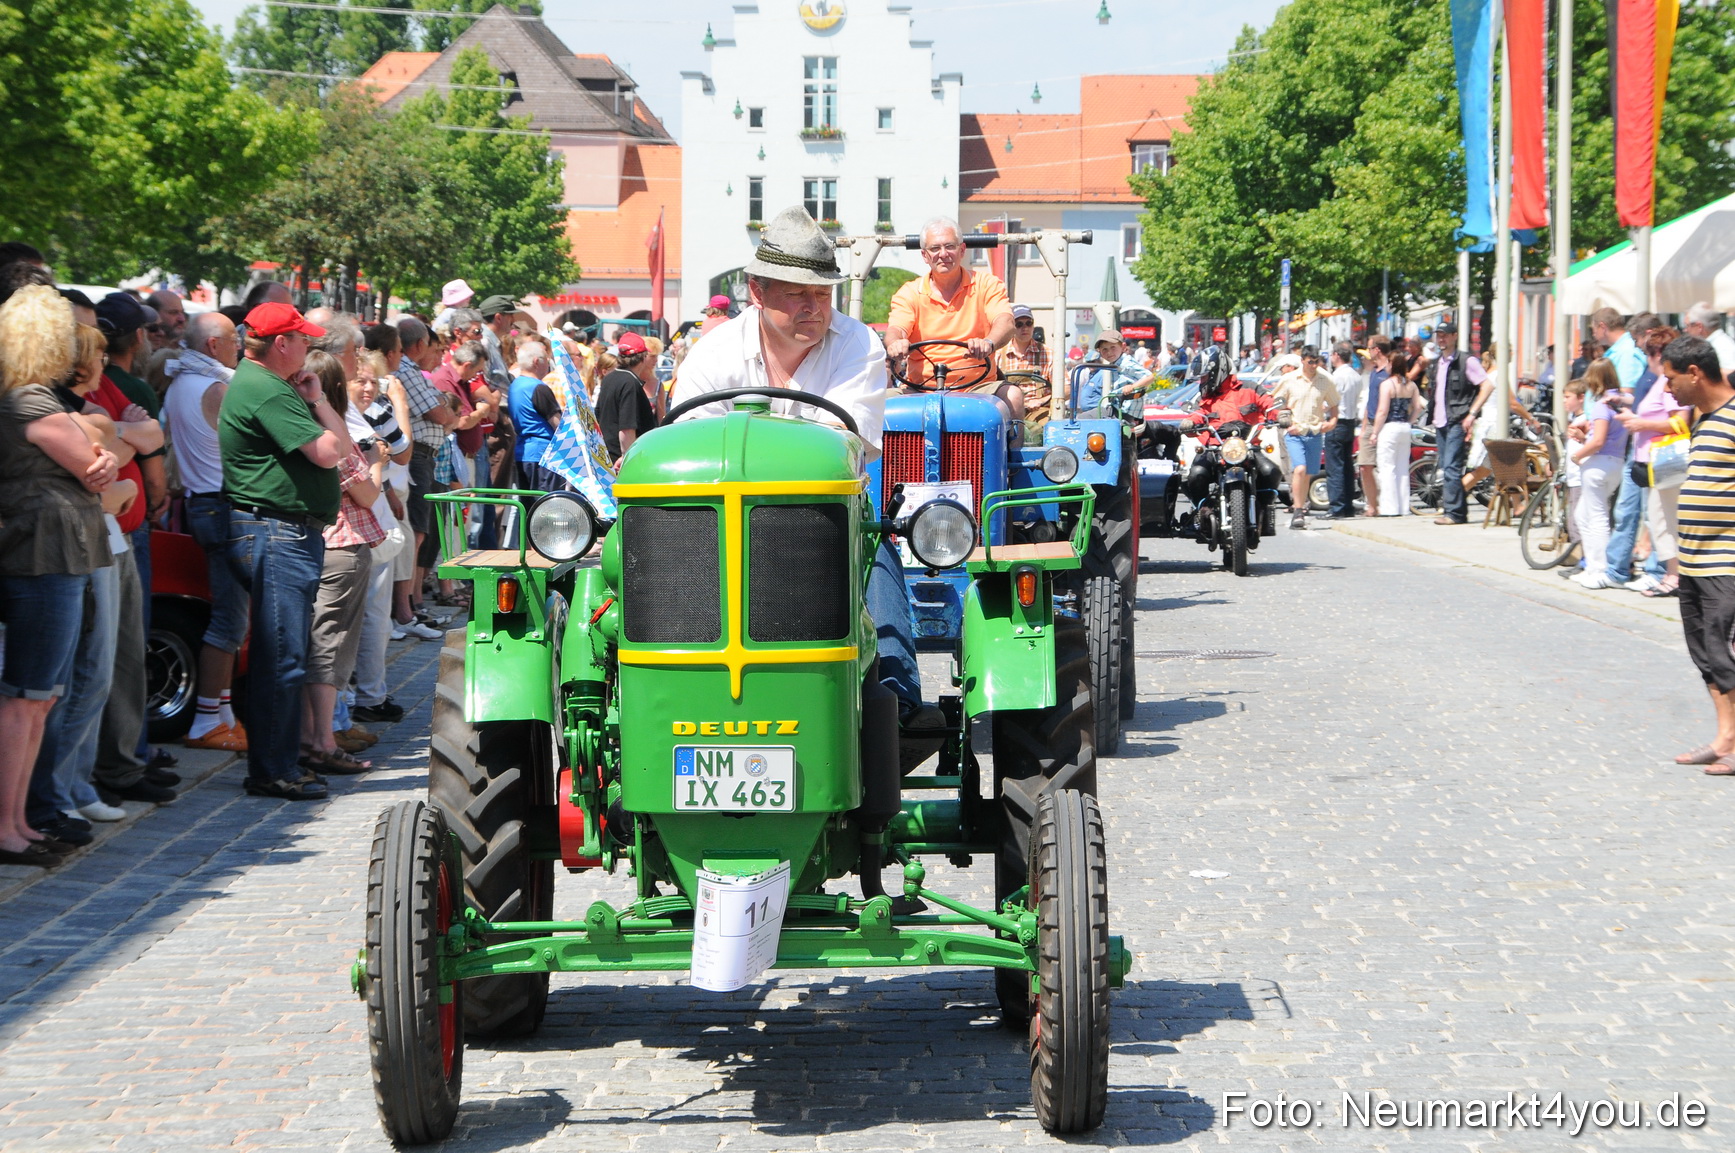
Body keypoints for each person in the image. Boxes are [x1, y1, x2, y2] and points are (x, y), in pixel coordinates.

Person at [670, 206, 933, 729]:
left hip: (823, 520)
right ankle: (672, 689)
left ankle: (895, 697)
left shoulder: (857, 343)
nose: (815, 307)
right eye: (798, 293)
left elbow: (844, 448)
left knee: (873, 547)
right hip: (723, 527)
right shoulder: (712, 354)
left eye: (823, 293)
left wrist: (747, 443)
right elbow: (687, 455)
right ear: (757, 292)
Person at [0, 285, 120, 866]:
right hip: (40, 555)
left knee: (40, 697)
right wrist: (97, 454)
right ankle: (8, 824)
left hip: (57, 553)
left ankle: (20, 819)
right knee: (27, 696)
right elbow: (93, 459)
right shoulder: (26, 399)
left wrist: (98, 454)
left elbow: (101, 455)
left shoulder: (37, 399)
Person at [220, 302, 355, 801]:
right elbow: (329, 452)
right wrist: (319, 409)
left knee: (286, 653)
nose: (308, 348)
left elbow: (340, 449)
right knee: (282, 657)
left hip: (286, 532)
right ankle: (273, 769)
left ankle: (280, 761)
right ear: (281, 344)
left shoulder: (274, 386)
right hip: (275, 532)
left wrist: (318, 402)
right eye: (302, 340)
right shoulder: (263, 387)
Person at [161, 309, 251, 750]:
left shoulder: (181, 381)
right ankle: (207, 721)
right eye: (235, 339)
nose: (241, 345)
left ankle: (224, 715)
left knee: (232, 618)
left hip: (205, 504)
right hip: (222, 506)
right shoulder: (215, 387)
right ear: (214, 345)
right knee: (229, 621)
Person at [299, 349, 382, 775]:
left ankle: (314, 734)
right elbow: (367, 494)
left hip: (310, 543)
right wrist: (377, 462)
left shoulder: (294, 429)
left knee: (312, 642)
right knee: (331, 647)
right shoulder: (332, 434)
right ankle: (323, 739)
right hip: (342, 547)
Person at [1659, 336, 1735, 773]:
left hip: (1727, 558)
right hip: (1693, 558)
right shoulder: (1703, 420)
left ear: (1694, 372)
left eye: (1671, 379)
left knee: (1726, 650)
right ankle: (1726, 736)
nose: (1667, 388)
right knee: (1706, 653)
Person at [885, 216, 1020, 418]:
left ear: (962, 250)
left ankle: (1010, 449)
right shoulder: (910, 292)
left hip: (978, 387)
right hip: (920, 388)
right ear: (924, 255)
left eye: (949, 246)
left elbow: (1005, 321)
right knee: (877, 403)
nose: (943, 254)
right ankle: (881, 451)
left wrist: (988, 343)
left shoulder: (986, 285)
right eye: (935, 248)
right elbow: (896, 329)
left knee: (1013, 395)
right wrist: (896, 343)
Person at [1617, 326, 1691, 599]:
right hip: (1654, 462)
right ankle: (1671, 574)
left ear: (1659, 354)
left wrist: (1642, 423)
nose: (1647, 360)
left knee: (1663, 519)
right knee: (1659, 519)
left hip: (1666, 462)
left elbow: (1681, 421)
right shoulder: (1661, 382)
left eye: (1649, 353)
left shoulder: (1668, 383)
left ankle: (1673, 575)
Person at [396, 317, 459, 628]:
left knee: (421, 533)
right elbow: (440, 412)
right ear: (420, 344)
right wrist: (446, 413)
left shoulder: (411, 371)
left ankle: (413, 600)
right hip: (417, 456)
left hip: (424, 456)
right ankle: (408, 603)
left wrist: (446, 413)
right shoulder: (408, 370)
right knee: (417, 533)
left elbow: (447, 413)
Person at [1570, 360, 1630, 589]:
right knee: (1584, 514)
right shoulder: (1620, 402)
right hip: (1615, 462)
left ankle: (1601, 568)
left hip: (1598, 464)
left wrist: (1578, 455)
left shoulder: (1601, 405)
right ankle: (1593, 567)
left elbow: (1598, 441)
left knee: (1596, 517)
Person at [1427, 322, 1493, 526]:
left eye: (1445, 335)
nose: (1441, 339)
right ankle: (1458, 512)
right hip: (1441, 421)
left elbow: (1488, 385)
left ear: (1455, 336)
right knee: (1448, 466)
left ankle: (1453, 513)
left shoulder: (1466, 361)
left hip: (1457, 420)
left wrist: (1472, 414)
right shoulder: (1437, 362)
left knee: (1451, 467)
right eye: (1439, 335)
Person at [1269, 346, 1339, 529]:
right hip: (1295, 432)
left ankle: (1301, 507)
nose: (1314, 365)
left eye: (1317, 362)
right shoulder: (1289, 379)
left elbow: (1334, 404)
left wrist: (1332, 422)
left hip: (1314, 433)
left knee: (1308, 473)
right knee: (1299, 469)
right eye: (1311, 362)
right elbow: (1274, 402)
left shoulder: (1325, 380)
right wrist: (1285, 421)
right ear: (1303, 360)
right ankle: (1298, 509)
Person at [508, 341, 567, 491]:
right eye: (546, 359)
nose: (548, 364)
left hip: (523, 453)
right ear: (536, 362)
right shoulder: (538, 388)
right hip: (542, 455)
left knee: (528, 505)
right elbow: (558, 425)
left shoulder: (514, 385)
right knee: (545, 506)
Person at [1371, 350, 1423, 516]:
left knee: (1387, 468)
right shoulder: (1411, 385)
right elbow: (1418, 407)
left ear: (1392, 365)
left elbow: (1382, 411)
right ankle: (1403, 506)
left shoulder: (1387, 384)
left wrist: (1374, 432)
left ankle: (1389, 507)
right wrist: (1410, 421)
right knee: (1402, 468)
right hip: (1404, 428)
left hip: (1390, 428)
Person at [595, 331, 659, 461]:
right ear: (643, 357)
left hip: (606, 456)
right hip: (620, 459)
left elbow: (598, 417)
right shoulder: (630, 383)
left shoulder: (610, 378)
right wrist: (626, 458)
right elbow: (627, 429)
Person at [1074, 330, 1154, 419]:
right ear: (1099, 351)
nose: (1109, 352)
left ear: (1123, 347)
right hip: (1117, 407)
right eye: (1104, 349)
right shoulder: (1114, 364)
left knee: (1081, 419)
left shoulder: (1126, 363)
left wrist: (1132, 387)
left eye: (1113, 347)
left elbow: (1149, 376)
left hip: (1124, 411)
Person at [996, 304, 1053, 429]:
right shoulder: (998, 354)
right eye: (1019, 324)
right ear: (1011, 327)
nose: (1025, 328)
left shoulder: (1048, 353)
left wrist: (1041, 401)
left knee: (1045, 431)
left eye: (1029, 323)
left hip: (1039, 412)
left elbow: (1065, 388)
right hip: (1006, 411)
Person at [1324, 341, 1362, 518]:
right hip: (1350, 421)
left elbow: (1329, 401)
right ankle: (1347, 505)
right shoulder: (1356, 375)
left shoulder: (1336, 377)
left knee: (1335, 467)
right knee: (1347, 466)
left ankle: (1337, 507)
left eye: (1332, 355)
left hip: (1337, 421)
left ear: (1337, 355)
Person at [1357, 336, 1393, 518]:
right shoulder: (1374, 372)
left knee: (1386, 466)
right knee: (1364, 465)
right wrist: (1364, 426)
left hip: (1387, 422)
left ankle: (1385, 504)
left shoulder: (1390, 370)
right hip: (1371, 422)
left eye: (1369, 348)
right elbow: (1370, 400)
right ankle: (1372, 505)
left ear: (1377, 350)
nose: (1368, 352)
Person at [1683, 303, 1735, 379]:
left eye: (1687, 326)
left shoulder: (1722, 347)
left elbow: (1731, 375)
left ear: (1699, 326)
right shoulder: (1716, 344)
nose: (1685, 330)